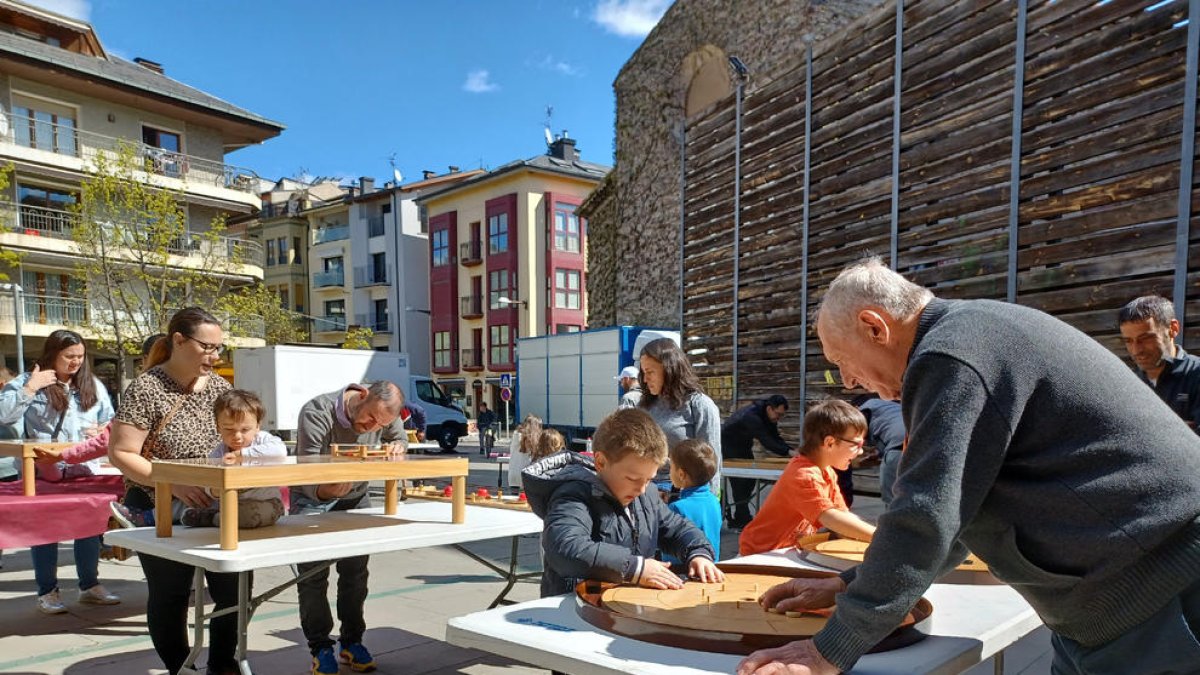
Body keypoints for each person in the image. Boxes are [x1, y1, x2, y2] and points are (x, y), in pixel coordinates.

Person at [737, 258, 1200, 675]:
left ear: (874, 327)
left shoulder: (950, 356)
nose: (850, 381)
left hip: (1161, 601)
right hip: (1123, 606)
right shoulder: (973, 334)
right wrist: (847, 584)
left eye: (842, 362)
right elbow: (958, 514)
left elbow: (926, 515)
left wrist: (829, 650)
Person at [108, 308, 241, 675]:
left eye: (219, 347)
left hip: (214, 503)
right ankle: (180, 668)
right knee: (172, 594)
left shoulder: (220, 388)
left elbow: (239, 435)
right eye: (207, 347)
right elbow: (120, 453)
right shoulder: (147, 387)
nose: (215, 356)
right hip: (157, 504)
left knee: (235, 591)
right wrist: (174, 483)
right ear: (179, 340)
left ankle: (222, 663)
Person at [522, 408, 724, 597]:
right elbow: (566, 547)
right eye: (633, 478)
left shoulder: (646, 496)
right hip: (575, 610)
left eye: (649, 479)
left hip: (625, 607)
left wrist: (698, 553)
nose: (642, 488)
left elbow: (677, 528)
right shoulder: (574, 495)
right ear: (600, 463)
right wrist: (636, 568)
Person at [292, 380, 406, 675]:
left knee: (355, 574)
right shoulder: (317, 412)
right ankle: (320, 646)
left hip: (356, 498)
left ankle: (352, 642)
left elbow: (400, 440)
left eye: (379, 425)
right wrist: (325, 491)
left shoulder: (383, 416)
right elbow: (305, 470)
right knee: (314, 577)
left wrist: (397, 446)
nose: (371, 428)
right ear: (362, 395)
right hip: (313, 499)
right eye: (369, 418)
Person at [0, 329, 118, 614]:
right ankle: (47, 591)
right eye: (69, 356)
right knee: (46, 530)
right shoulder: (28, 382)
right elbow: (4, 416)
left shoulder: (93, 386)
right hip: (43, 470)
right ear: (53, 354)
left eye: (80, 356)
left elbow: (111, 421)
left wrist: (102, 430)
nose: (75, 362)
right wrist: (30, 387)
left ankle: (89, 585)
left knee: (89, 528)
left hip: (83, 469)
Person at [738, 400, 874, 556]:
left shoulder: (827, 471)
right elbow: (831, 517)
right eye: (856, 444)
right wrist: (878, 537)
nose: (861, 451)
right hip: (761, 553)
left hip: (787, 550)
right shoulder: (804, 475)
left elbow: (842, 515)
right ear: (829, 443)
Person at [179, 390, 286, 529]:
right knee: (224, 510)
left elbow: (280, 452)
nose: (237, 436)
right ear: (218, 428)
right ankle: (216, 516)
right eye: (229, 429)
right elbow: (208, 478)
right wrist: (213, 490)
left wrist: (242, 455)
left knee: (246, 516)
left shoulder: (263, 440)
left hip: (267, 502)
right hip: (229, 504)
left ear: (258, 426)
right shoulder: (219, 452)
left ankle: (213, 518)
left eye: (245, 429)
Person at [638, 337, 722, 493]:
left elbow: (711, 461)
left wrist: (708, 502)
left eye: (650, 372)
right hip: (644, 491)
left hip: (681, 493)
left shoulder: (700, 405)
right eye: (643, 372)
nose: (645, 379)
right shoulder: (644, 405)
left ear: (669, 370)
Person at [1118, 294, 1200, 431]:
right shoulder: (1127, 382)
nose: (1136, 350)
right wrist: (1180, 430)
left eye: (1146, 338)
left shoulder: (1196, 373)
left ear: (1173, 329)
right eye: (1128, 341)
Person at [721, 394, 793, 528]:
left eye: (781, 415)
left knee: (749, 481)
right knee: (740, 483)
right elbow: (767, 440)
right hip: (728, 446)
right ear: (770, 408)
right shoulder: (752, 416)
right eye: (778, 414)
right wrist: (789, 452)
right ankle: (741, 519)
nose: (779, 418)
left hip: (742, 446)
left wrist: (789, 449)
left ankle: (741, 516)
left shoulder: (767, 415)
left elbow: (774, 436)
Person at [666, 439, 722, 560]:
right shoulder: (714, 501)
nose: (669, 472)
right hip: (711, 565)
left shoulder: (677, 507)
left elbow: (670, 550)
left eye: (671, 467)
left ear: (681, 474)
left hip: (685, 570)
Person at [853, 394, 905, 505]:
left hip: (898, 449)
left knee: (892, 498)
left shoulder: (867, 407)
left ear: (856, 408)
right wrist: (879, 453)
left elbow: (856, 433)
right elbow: (889, 429)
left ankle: (894, 521)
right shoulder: (892, 407)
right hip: (921, 445)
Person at [506, 414, 543, 490]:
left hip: (514, 476)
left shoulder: (516, 435)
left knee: (514, 500)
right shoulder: (536, 440)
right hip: (528, 476)